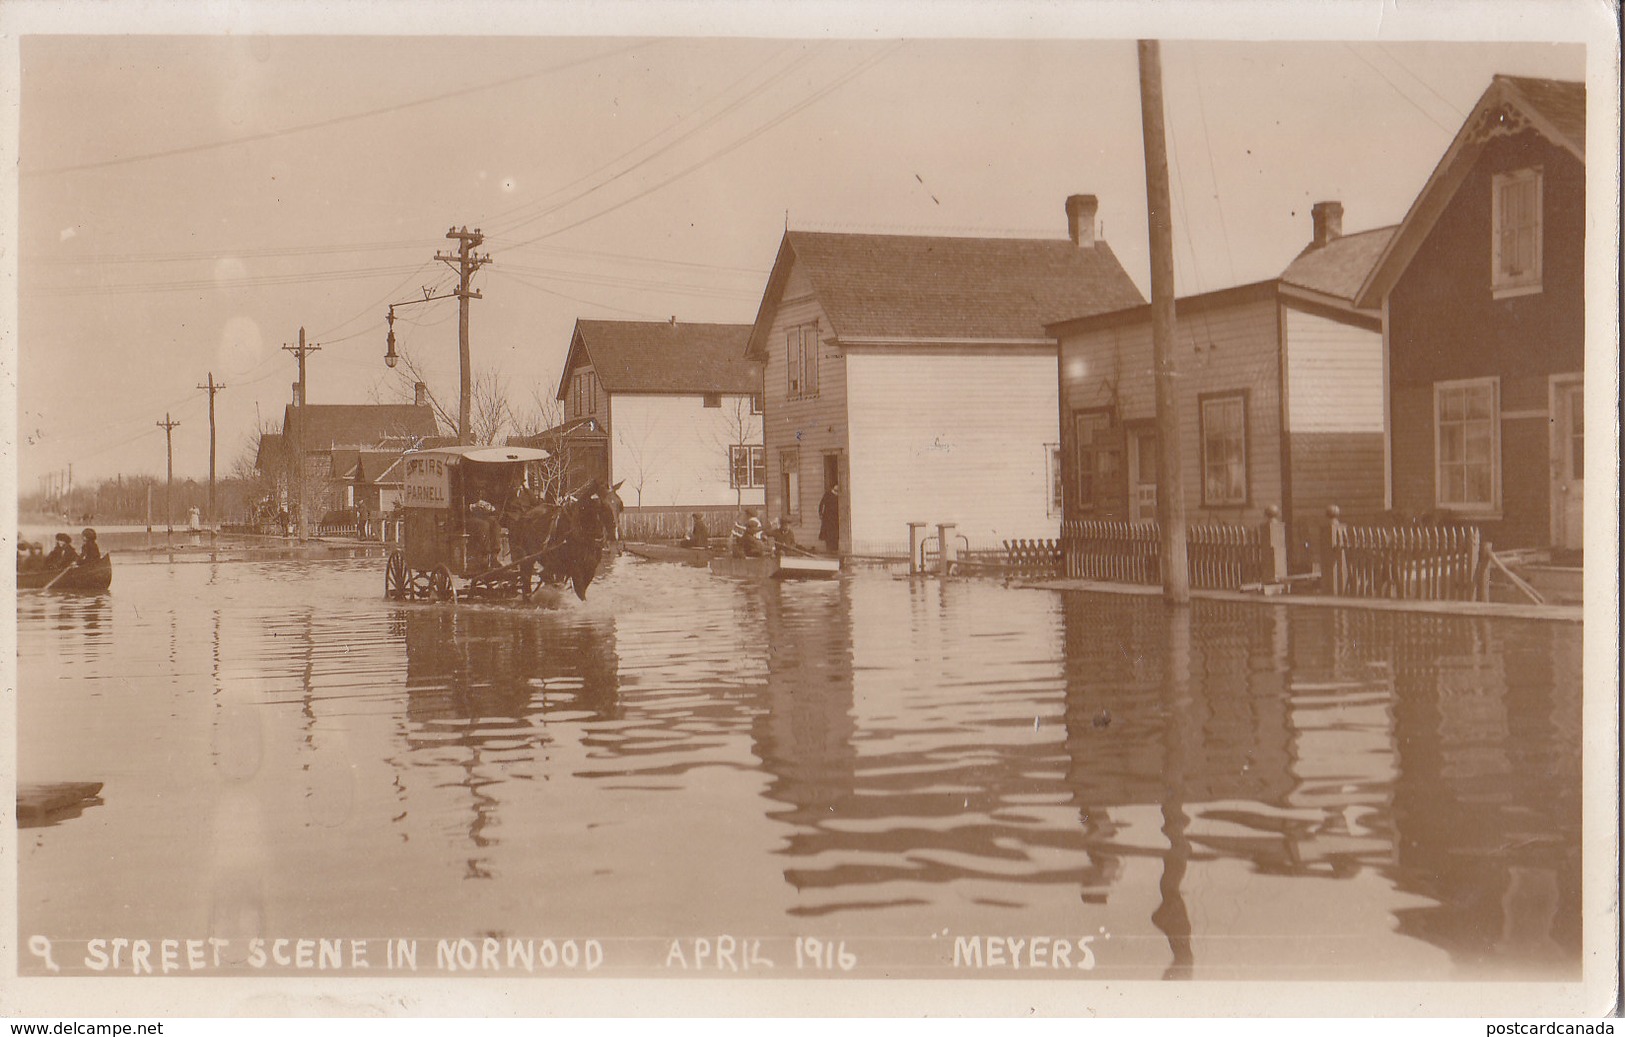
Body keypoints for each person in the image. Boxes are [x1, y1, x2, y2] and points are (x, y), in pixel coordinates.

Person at [818, 483, 840, 554]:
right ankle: (829, 550)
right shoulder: (827, 494)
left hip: (836, 518)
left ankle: (835, 549)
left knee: (835, 533)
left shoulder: (840, 496)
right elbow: (821, 504)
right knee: (828, 534)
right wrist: (820, 514)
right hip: (828, 517)